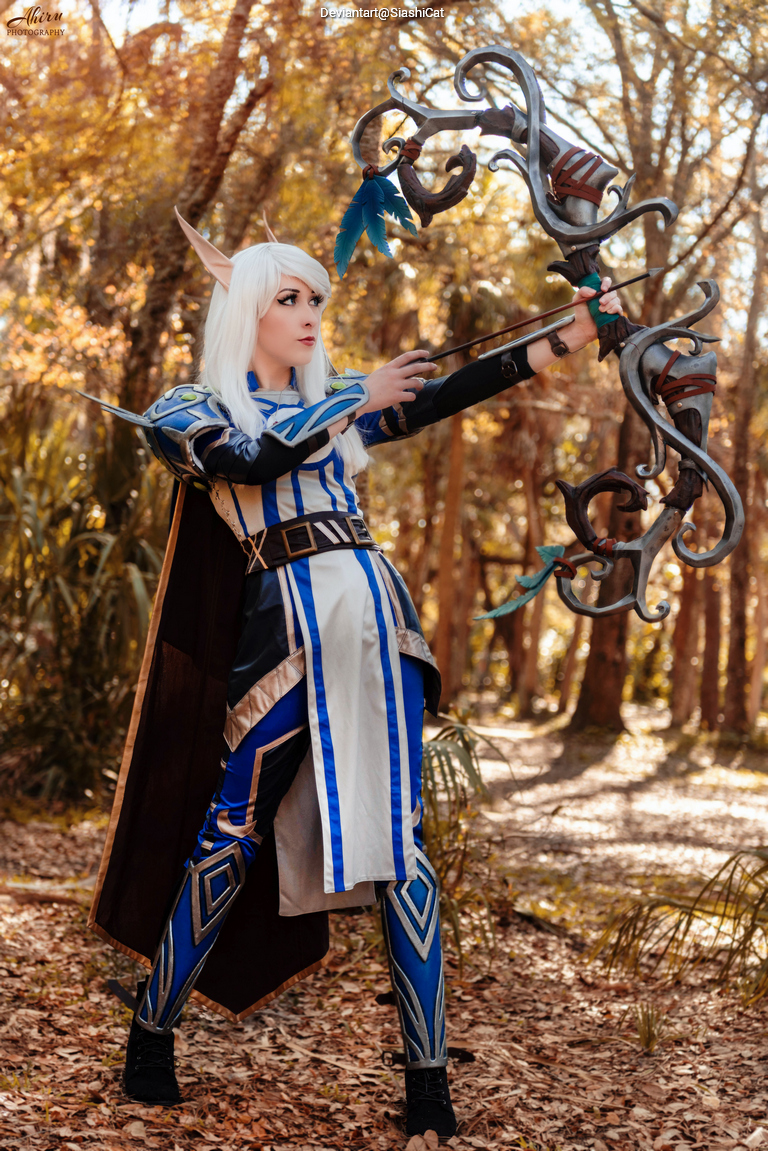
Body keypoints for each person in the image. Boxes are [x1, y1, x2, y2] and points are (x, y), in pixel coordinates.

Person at [88, 211, 622, 1137]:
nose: (308, 315)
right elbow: (253, 457)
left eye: (315, 300)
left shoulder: (334, 398)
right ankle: (152, 1033)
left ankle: (428, 1082)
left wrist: (573, 333)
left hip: (376, 618)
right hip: (285, 633)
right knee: (231, 832)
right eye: (289, 299)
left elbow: (446, 391)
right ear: (248, 310)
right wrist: (348, 396)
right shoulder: (188, 409)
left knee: (402, 847)